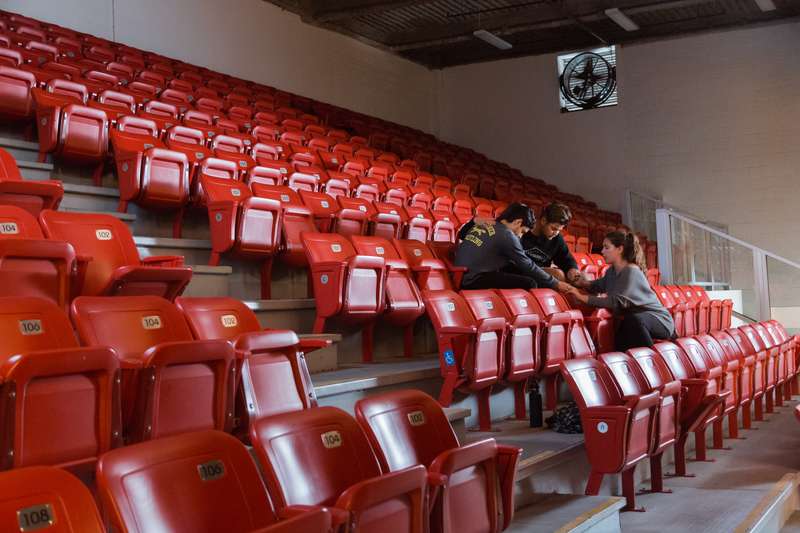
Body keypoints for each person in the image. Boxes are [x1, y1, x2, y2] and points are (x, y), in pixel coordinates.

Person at [566, 231, 675, 352]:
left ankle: (652, 359)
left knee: (633, 321)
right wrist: (581, 282)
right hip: (635, 321)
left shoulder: (631, 271)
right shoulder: (611, 271)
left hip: (659, 321)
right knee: (620, 337)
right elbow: (597, 285)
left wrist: (580, 297)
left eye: (607, 247)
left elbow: (614, 302)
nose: (602, 251)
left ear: (619, 249)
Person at [454, 203, 574, 292]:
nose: (520, 236)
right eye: (522, 231)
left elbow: (462, 234)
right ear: (517, 222)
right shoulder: (508, 235)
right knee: (530, 282)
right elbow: (527, 265)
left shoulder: (488, 222)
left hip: (460, 274)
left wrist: (476, 220)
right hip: (473, 279)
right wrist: (556, 284)